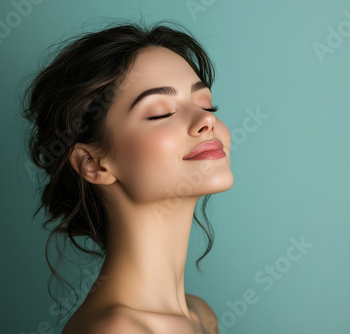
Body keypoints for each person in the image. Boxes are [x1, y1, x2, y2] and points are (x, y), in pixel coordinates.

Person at [21, 19, 233, 334]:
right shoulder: (115, 330)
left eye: (206, 103)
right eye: (161, 112)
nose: (206, 120)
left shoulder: (201, 316)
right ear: (93, 163)